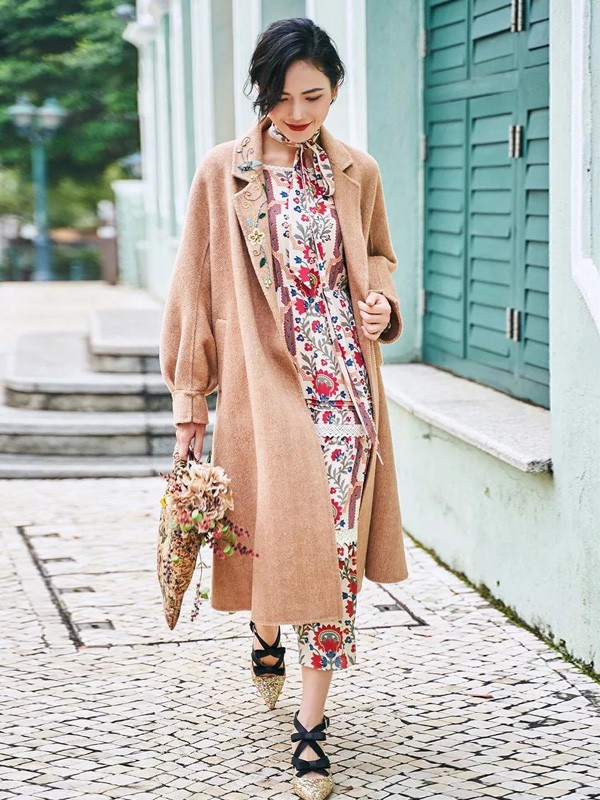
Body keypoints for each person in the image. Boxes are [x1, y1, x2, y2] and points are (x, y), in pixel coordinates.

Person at [159, 16, 409, 800]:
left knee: (335, 553)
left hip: (347, 393)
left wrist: (380, 307)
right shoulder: (222, 172)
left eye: (315, 96)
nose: (298, 113)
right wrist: (190, 400)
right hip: (265, 387)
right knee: (278, 536)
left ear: (335, 90)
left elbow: (377, 257)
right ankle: (266, 627)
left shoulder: (357, 170)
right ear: (260, 92)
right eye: (282, 96)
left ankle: (311, 730)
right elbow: (194, 284)